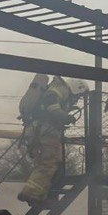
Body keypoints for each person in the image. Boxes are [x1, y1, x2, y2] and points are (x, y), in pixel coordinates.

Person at [18, 76, 89, 207]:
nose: (77, 99)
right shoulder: (62, 89)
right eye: (79, 95)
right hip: (46, 132)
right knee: (50, 163)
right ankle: (31, 193)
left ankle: (36, 195)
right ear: (77, 88)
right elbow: (50, 100)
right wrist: (63, 116)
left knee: (45, 163)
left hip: (34, 131)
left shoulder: (58, 88)